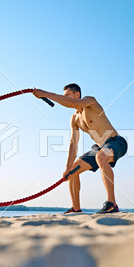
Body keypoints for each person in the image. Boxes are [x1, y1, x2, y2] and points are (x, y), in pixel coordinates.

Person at [33, 83, 128, 214]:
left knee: (100, 156)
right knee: (73, 170)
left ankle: (112, 204)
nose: (63, 98)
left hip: (116, 142)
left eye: (67, 95)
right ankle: (76, 208)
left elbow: (73, 103)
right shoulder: (74, 119)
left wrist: (46, 94)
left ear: (77, 94)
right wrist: (67, 168)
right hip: (100, 147)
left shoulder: (90, 102)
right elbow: (73, 144)